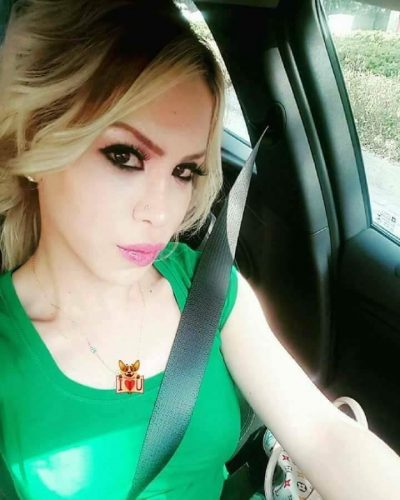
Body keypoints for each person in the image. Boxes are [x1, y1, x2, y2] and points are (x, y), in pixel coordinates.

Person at [0, 0, 399, 499]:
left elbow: (321, 433)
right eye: (124, 156)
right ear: (35, 143)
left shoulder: (206, 288)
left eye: (183, 171)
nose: (161, 213)